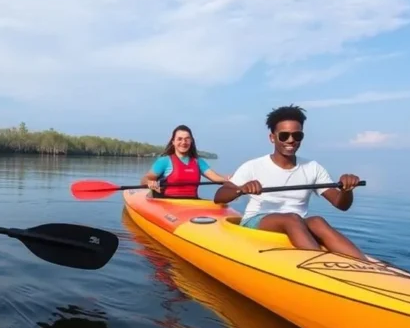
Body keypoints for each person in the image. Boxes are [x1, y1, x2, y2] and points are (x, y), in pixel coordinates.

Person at [213, 105, 368, 260]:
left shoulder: (313, 167)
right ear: (272, 137)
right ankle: (320, 266)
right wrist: (241, 189)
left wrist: (347, 190)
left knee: (317, 221)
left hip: (297, 224)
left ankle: (366, 265)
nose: (291, 140)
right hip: (256, 223)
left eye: (297, 136)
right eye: (284, 135)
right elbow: (219, 196)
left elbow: (341, 204)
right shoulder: (253, 166)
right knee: (291, 218)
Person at [141, 125, 229, 198]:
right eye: (180, 139)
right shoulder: (164, 161)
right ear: (173, 142)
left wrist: (232, 179)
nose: (184, 142)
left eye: (187, 139)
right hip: (168, 203)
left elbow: (216, 178)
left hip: (191, 203)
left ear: (191, 141)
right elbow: (145, 179)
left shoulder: (198, 161)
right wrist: (149, 182)